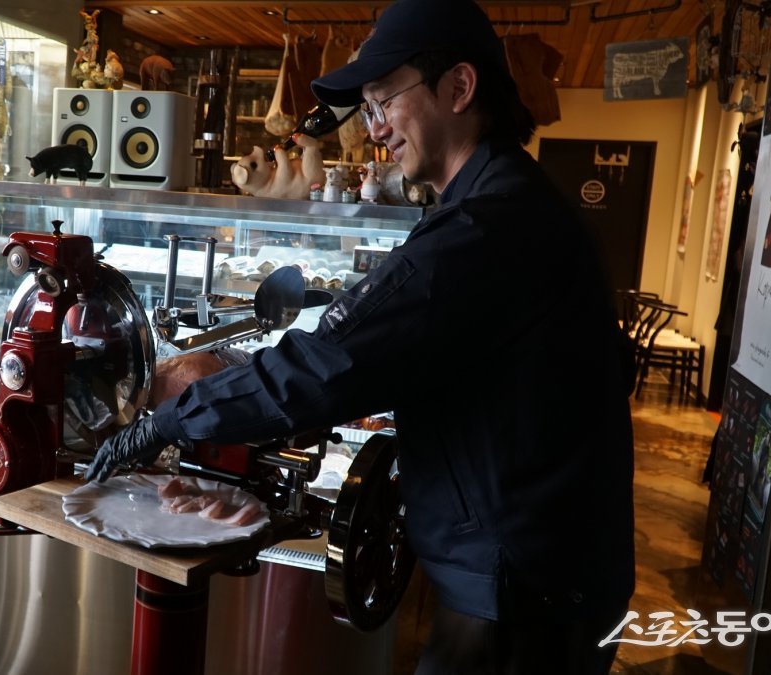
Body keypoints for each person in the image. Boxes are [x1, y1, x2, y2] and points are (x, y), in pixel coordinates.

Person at [86, 0, 635, 673]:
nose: (374, 129)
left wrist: (170, 420)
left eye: (384, 101)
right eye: (368, 108)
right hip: (543, 576)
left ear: (459, 87)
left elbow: (327, 364)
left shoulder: (484, 229)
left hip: (520, 595)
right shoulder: (514, 202)